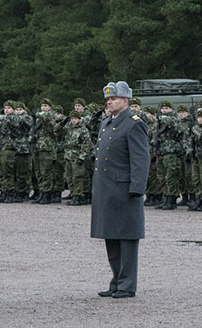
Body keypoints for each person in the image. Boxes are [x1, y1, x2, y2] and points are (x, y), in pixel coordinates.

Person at [92, 81, 149, 299]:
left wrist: (137, 188)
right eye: (108, 99)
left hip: (125, 190)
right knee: (111, 236)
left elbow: (141, 159)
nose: (109, 102)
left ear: (125, 101)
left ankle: (127, 284)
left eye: (113, 98)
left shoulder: (134, 124)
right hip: (107, 190)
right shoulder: (107, 122)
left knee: (127, 238)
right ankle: (116, 281)